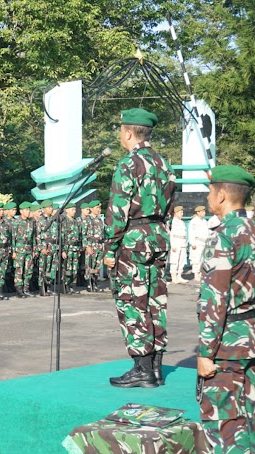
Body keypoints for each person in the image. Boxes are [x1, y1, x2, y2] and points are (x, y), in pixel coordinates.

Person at [197, 165, 255, 453]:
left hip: (227, 342)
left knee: (224, 421)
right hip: (250, 337)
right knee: (250, 412)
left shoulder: (224, 236)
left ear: (223, 195)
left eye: (210, 191)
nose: (207, 197)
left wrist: (206, 352)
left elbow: (215, 298)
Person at [104, 108, 176, 388]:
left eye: (122, 131)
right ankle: (156, 368)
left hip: (133, 239)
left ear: (129, 133)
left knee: (132, 301)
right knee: (156, 300)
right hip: (157, 236)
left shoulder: (129, 164)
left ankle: (142, 369)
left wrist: (110, 250)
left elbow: (117, 212)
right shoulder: (163, 164)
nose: (121, 136)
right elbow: (169, 207)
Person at [188, 206, 208, 282]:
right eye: (202, 212)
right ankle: (196, 274)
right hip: (197, 242)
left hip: (204, 242)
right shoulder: (194, 221)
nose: (204, 213)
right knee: (196, 258)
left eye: (204, 211)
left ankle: (200, 273)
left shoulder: (205, 221)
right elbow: (191, 232)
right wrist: (192, 242)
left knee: (203, 259)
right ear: (198, 212)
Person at [169, 206, 188, 284]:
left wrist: (186, 243)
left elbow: (185, 234)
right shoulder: (173, 222)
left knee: (181, 261)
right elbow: (171, 234)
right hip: (176, 242)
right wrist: (172, 244)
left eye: (182, 212)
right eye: (180, 212)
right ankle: (174, 277)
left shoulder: (182, 222)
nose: (182, 214)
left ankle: (179, 276)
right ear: (176, 213)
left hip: (183, 242)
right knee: (174, 260)